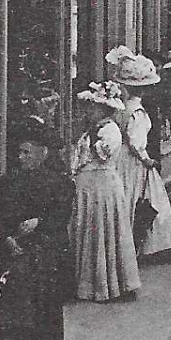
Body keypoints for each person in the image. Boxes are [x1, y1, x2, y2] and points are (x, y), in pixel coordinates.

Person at [0, 130, 74, 340]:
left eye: (27, 152)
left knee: (42, 303)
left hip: (44, 250)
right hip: (14, 250)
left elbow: (61, 216)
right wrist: (9, 238)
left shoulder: (59, 182)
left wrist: (39, 222)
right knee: (10, 301)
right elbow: (1, 214)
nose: (22, 157)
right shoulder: (8, 181)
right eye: (20, 152)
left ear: (42, 153)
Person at [68, 82, 142, 302]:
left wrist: (91, 136)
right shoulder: (92, 130)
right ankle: (88, 284)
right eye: (88, 107)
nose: (88, 111)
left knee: (103, 230)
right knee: (88, 231)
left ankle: (109, 284)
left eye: (93, 107)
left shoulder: (110, 131)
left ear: (104, 109)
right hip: (87, 187)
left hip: (102, 186)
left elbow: (102, 154)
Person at [105, 47, 171, 259]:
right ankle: (139, 245)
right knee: (142, 199)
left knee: (128, 198)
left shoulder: (121, 108)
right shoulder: (137, 111)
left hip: (121, 159)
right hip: (134, 161)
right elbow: (136, 142)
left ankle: (123, 242)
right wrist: (146, 160)